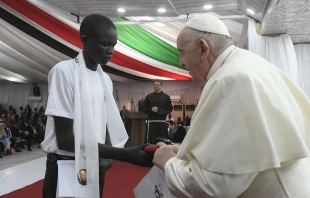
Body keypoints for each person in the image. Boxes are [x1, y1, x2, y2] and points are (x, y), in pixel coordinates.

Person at [153, 14, 310, 197]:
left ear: (203, 48)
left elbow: (216, 184)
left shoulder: (230, 80)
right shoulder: (248, 64)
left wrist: (169, 163)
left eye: (182, 52)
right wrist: (184, 152)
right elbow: (242, 151)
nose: (181, 62)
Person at [41, 14, 153, 198]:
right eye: (105, 44)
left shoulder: (105, 80)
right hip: (66, 164)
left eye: (113, 45)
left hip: (94, 164)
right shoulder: (65, 72)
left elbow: (103, 126)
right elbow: (66, 140)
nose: (110, 51)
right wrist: (123, 154)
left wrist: (108, 156)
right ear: (85, 40)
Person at [143, 80, 173, 144]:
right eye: (155, 85)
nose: (156, 86)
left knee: (162, 142)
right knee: (151, 142)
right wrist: (151, 109)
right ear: (153, 86)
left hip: (161, 123)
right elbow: (143, 108)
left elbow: (169, 109)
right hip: (151, 123)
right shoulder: (148, 97)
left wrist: (159, 110)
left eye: (158, 85)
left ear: (161, 86)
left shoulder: (166, 97)